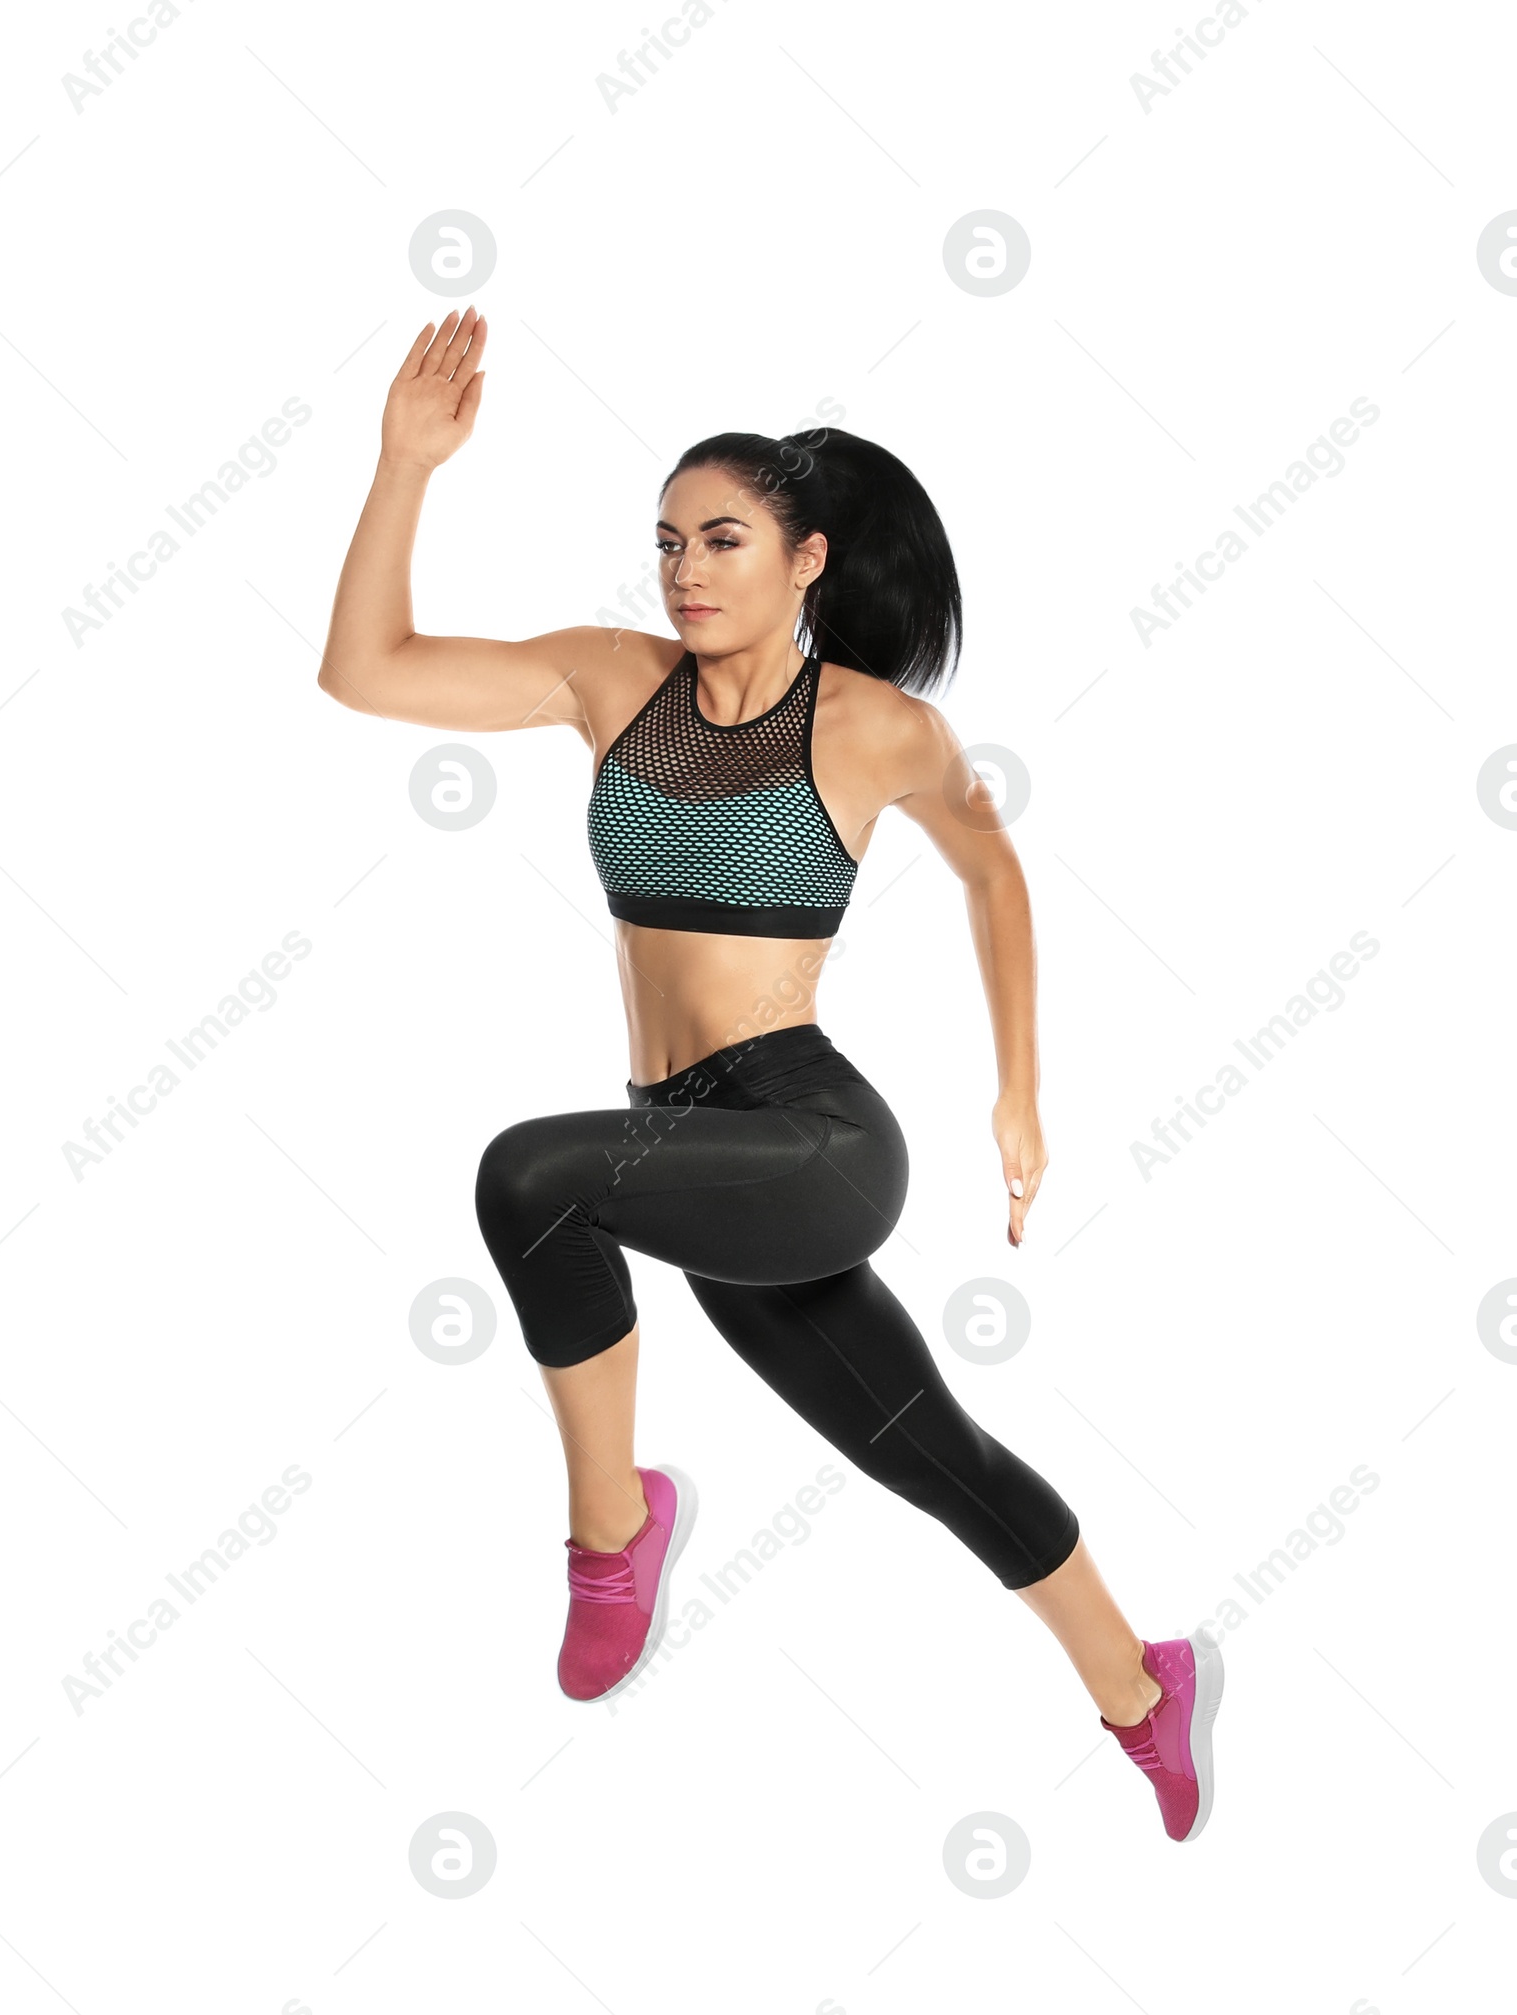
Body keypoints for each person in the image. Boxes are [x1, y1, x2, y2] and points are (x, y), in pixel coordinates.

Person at [317, 306, 1223, 1843]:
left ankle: (613, 1536)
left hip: (811, 1137)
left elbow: (994, 876)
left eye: (722, 539)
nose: (684, 569)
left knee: (527, 1176)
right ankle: (1145, 1684)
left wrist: (1020, 1090)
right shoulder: (613, 682)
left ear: (805, 558)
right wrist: (404, 467)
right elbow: (366, 669)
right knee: (940, 1456)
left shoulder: (871, 727)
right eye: (667, 539)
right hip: (688, 1161)